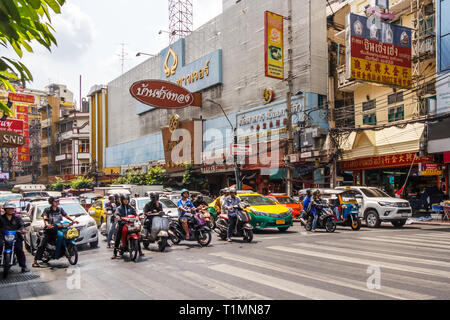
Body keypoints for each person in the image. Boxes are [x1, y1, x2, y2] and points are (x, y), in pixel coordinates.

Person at [33, 197, 79, 267]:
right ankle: (35, 261)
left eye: (58, 201)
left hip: (60, 229)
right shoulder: (47, 210)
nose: (57, 202)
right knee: (42, 244)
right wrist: (47, 224)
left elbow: (66, 215)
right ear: (51, 202)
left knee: (66, 237)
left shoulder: (60, 209)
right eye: (55, 201)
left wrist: (73, 220)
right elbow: (45, 218)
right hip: (50, 230)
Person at [111, 194, 143, 259]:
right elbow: (116, 214)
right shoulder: (119, 208)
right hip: (122, 224)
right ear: (122, 200)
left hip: (131, 224)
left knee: (137, 233)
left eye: (127, 200)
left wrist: (137, 217)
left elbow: (135, 214)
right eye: (124, 200)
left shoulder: (131, 208)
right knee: (118, 236)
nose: (126, 201)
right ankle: (115, 253)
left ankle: (139, 251)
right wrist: (117, 217)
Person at [0, 202, 29, 273]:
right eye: (8, 209)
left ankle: (23, 266)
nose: (10, 210)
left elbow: (21, 225)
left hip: (15, 237)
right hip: (3, 237)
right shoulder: (1, 218)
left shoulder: (17, 218)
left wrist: (22, 230)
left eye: (12, 209)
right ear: (5, 209)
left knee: (19, 250)